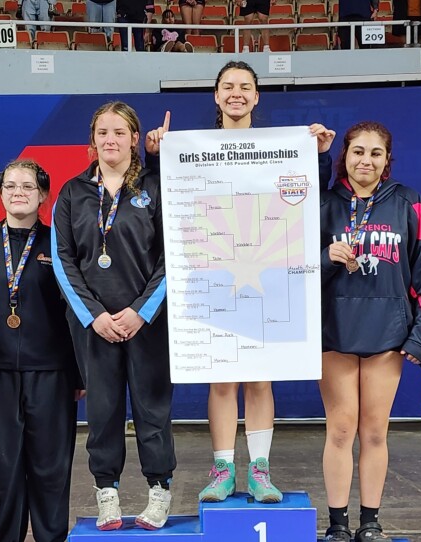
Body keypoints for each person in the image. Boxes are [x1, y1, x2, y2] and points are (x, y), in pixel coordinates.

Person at [145, 60, 336, 506]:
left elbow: (309, 193)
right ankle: (224, 470)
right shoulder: (189, 148)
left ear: (256, 96)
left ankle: (261, 472)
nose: (236, 93)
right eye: (228, 86)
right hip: (213, 272)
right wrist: (154, 156)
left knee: (260, 378)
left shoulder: (283, 145)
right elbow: (162, 197)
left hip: (267, 268)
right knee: (222, 380)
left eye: (245, 87)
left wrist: (320, 154)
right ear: (216, 96)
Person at [53, 101, 175, 531]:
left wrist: (141, 312)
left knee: (152, 408)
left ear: (134, 139)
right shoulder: (72, 193)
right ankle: (108, 492)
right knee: (102, 410)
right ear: (93, 140)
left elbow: (171, 256)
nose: (110, 139)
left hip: (148, 322)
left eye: (119, 132)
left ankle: (159, 490)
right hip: (95, 326)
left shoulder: (155, 188)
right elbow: (63, 259)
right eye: (103, 132)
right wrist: (94, 316)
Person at [320, 121, 421, 541]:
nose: (365, 161)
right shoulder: (324, 202)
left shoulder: (409, 202)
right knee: (340, 429)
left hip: (388, 335)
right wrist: (326, 256)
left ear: (387, 160)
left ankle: (370, 522)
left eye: (375, 153)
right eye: (357, 151)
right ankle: (337, 524)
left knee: (374, 431)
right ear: (345, 157)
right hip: (333, 331)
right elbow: (294, 263)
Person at [0, 160, 82, 542]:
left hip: (52, 373)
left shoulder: (59, 243)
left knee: (51, 468)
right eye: (10, 186)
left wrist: (79, 373)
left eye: (28, 186)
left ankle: (51, 537)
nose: (18, 193)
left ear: (43, 195)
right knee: (2, 469)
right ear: (0, 194)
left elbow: (75, 313)